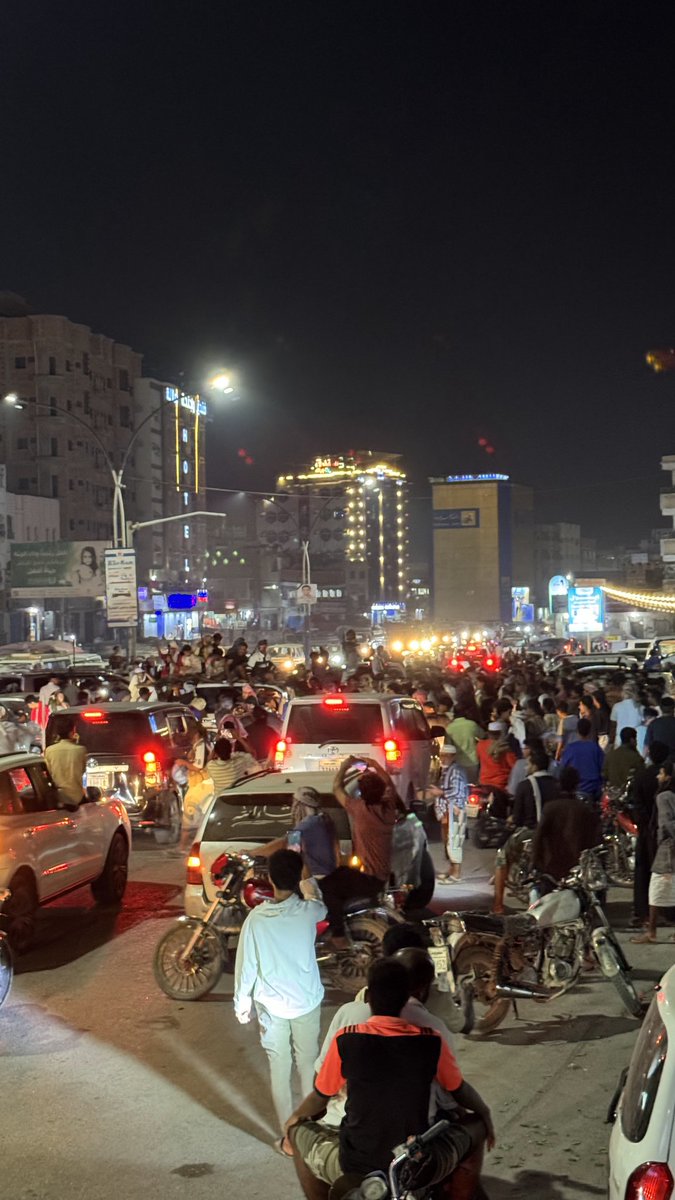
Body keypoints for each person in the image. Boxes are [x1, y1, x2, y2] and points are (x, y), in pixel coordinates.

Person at [284, 958, 494, 1198]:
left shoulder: (346, 1039)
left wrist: (294, 1119)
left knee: (298, 1132)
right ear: (406, 999)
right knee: (476, 1125)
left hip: (354, 1166)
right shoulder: (431, 1040)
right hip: (416, 1166)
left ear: (369, 997)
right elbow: (459, 1091)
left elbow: (321, 1096)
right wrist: (484, 1114)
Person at [233, 849, 326, 1144]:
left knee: (279, 1068)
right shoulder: (309, 912)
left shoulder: (256, 920)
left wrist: (241, 1006)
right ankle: (309, 1131)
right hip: (306, 1001)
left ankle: (287, 1137)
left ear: (270, 878)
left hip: (271, 1007)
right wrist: (307, 876)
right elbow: (318, 901)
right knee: (308, 1063)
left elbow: (246, 968)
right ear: (297, 877)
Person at [492, 746, 559, 914]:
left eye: (528, 764)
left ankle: (498, 905)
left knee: (502, 857)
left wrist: (511, 820)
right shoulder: (556, 784)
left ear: (535, 766)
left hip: (530, 833)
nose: (526, 767)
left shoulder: (525, 785)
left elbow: (518, 817)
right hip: (554, 834)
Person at [333, 755, 399, 885]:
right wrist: (375, 764)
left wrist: (344, 767)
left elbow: (336, 788)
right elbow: (389, 783)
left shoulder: (359, 809)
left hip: (364, 876)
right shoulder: (388, 809)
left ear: (361, 793)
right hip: (384, 874)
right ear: (382, 791)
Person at [631, 759, 675, 944]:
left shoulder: (663, 796)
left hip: (667, 848)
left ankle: (652, 931)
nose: (658, 776)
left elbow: (667, 824)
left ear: (668, 777)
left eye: (662, 773)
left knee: (656, 889)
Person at [629, 740, 669, 927]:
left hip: (647, 831)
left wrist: (643, 824)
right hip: (665, 834)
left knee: (643, 870)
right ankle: (666, 911)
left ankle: (643, 911)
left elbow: (636, 804)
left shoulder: (641, 776)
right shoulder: (670, 778)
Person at [429, 737, 468, 883]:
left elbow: (457, 792)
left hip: (455, 811)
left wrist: (440, 793)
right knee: (448, 842)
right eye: (442, 755)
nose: (443, 758)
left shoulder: (456, 771)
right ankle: (451, 870)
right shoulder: (446, 770)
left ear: (453, 757)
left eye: (446, 756)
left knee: (454, 841)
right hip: (447, 812)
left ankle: (456, 874)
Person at [44, 714, 88, 807]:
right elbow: (83, 771)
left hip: (58, 798)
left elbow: (48, 773)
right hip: (77, 797)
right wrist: (76, 742)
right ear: (72, 732)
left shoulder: (49, 750)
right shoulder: (81, 750)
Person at [560, 718, 604, 802]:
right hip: (593, 789)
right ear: (590, 730)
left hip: (575, 790)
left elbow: (563, 768)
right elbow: (603, 768)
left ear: (577, 730)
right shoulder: (595, 748)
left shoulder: (570, 748)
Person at [476, 721, 517, 796]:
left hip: (483, 783)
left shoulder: (480, 745)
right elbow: (515, 766)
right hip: (501, 785)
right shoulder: (505, 748)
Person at [447, 705, 482, 781]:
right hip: (473, 761)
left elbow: (448, 747)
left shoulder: (449, 728)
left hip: (458, 762)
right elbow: (483, 736)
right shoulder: (472, 724)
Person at [610, 682, 643, 748]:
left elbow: (613, 723)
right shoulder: (641, 707)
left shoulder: (616, 706)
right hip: (636, 739)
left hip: (620, 738)